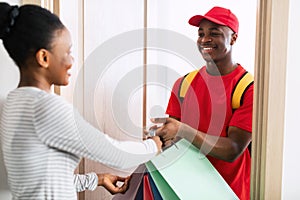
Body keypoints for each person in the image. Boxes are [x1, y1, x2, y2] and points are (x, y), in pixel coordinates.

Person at [0, 3, 162, 199]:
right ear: (43, 57)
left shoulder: (14, 103)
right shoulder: (46, 108)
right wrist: (154, 145)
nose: (72, 60)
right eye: (67, 52)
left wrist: (97, 179)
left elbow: (42, 179)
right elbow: (116, 154)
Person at [151, 6, 253, 200]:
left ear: (233, 38)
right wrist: (158, 138)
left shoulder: (247, 87)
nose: (205, 39)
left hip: (230, 192)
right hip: (185, 190)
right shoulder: (183, 84)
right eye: (201, 33)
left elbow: (233, 149)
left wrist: (183, 130)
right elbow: (173, 138)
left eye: (214, 33)